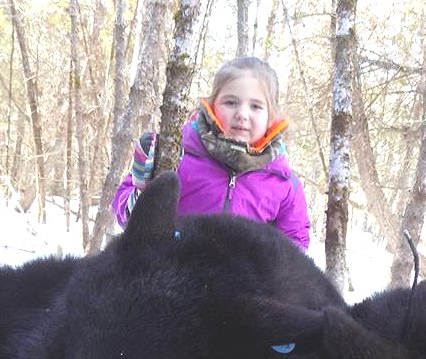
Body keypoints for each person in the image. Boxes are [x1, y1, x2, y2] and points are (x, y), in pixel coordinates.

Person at [112, 56, 310, 250]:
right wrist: (143, 193)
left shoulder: (282, 180)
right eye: (230, 103)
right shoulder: (179, 153)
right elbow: (123, 213)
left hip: (239, 279)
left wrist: (268, 266)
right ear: (213, 105)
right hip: (173, 272)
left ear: (271, 117)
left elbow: (295, 241)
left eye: (255, 106)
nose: (242, 114)